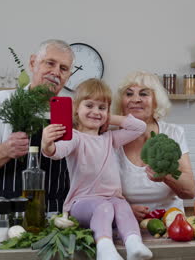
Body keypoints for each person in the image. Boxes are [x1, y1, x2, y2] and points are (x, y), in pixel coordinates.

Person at [41, 79, 152, 260]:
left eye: (102, 108)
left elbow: (139, 127)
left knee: (123, 206)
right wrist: (47, 143)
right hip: (82, 204)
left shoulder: (109, 138)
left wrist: (110, 117)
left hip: (112, 200)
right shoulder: (75, 138)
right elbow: (56, 152)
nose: (95, 112)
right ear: (76, 108)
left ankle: (134, 244)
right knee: (104, 206)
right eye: (89, 105)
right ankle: (104, 248)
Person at [0, 39, 74, 213]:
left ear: (68, 76)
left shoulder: (72, 112)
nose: (56, 72)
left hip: (55, 217)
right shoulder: (4, 101)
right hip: (5, 214)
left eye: (63, 68)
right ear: (33, 63)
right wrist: (5, 150)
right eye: (50, 63)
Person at [113, 71, 195, 222]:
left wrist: (166, 176)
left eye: (144, 94)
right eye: (129, 94)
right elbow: (97, 190)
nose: (135, 99)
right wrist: (123, 209)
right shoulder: (109, 137)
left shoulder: (174, 133)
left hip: (171, 224)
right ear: (121, 101)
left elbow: (190, 191)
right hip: (125, 223)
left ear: (156, 101)